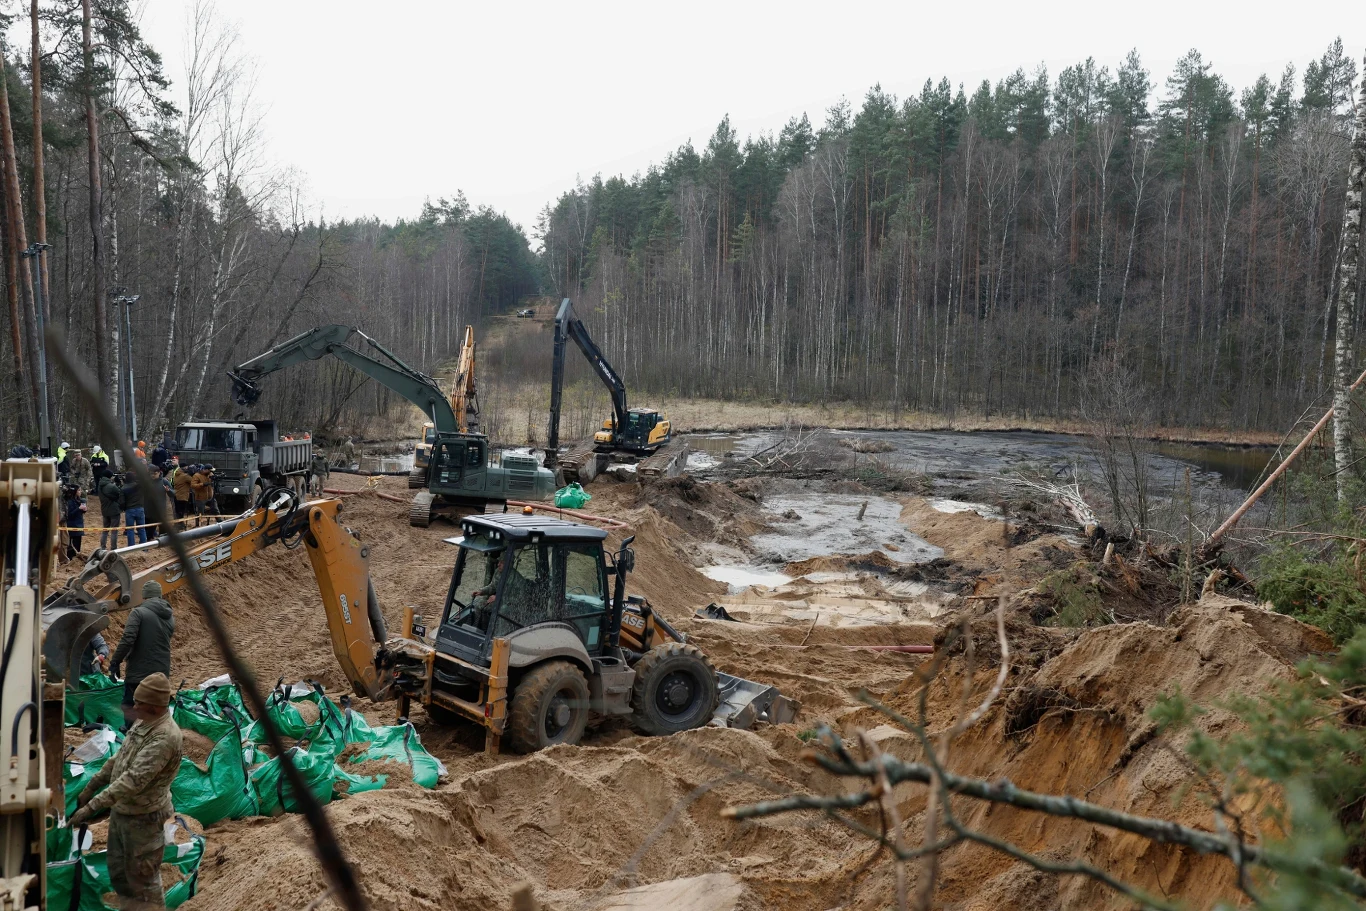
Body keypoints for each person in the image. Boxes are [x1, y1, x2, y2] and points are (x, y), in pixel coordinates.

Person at [69, 673, 182, 910]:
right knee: (119, 874)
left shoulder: (165, 737)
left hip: (145, 819)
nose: (135, 706)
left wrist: (91, 807)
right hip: (123, 812)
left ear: (154, 705)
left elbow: (132, 780)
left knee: (143, 881)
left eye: (140, 702)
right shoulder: (143, 722)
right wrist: (91, 786)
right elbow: (119, 757)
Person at [109, 581, 174, 708]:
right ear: (159, 595)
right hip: (161, 673)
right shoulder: (170, 616)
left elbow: (128, 639)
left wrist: (115, 662)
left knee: (131, 708)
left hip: (139, 674)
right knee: (155, 710)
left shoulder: (138, 613)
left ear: (144, 596)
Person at [98, 472, 125, 550]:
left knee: (105, 530)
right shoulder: (112, 486)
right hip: (114, 510)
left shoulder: (99, 486)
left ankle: (103, 547)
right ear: (110, 477)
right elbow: (120, 493)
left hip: (104, 510)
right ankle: (113, 548)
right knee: (114, 531)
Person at [122, 473, 149, 545]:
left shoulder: (123, 488)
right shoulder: (139, 486)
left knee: (130, 530)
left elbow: (122, 501)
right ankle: (144, 547)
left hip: (129, 510)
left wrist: (124, 508)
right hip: (140, 508)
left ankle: (131, 547)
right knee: (142, 529)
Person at [62, 484, 87, 560]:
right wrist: (78, 509)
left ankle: (76, 558)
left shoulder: (79, 500)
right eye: (79, 490)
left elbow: (79, 512)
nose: (80, 492)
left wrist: (84, 510)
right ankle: (71, 558)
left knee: (77, 544)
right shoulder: (69, 502)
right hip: (72, 525)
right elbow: (69, 515)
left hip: (78, 525)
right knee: (71, 545)